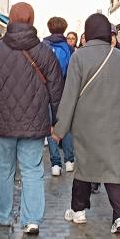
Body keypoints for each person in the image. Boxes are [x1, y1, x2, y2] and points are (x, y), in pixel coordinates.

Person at [0, 3, 63, 235]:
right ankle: (32, 220)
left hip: (2, 123)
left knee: (3, 169)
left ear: (10, 20)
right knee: (32, 170)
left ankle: (3, 216)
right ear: (32, 20)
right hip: (35, 123)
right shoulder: (44, 52)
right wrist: (58, 121)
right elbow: (56, 90)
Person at [53, 13, 120, 234]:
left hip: (86, 123)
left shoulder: (79, 57)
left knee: (85, 166)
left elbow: (69, 96)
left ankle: (78, 210)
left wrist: (59, 129)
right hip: (115, 123)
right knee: (115, 168)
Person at [42, 17, 75, 176]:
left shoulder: (42, 47)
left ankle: (56, 164)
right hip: (65, 92)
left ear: (49, 28)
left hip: (46, 92)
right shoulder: (69, 49)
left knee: (50, 126)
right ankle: (69, 160)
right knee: (66, 125)